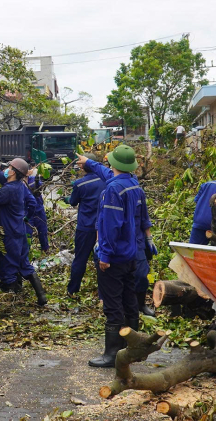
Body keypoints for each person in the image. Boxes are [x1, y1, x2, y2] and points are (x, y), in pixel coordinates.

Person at [77, 146, 140, 368]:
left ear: (113, 164)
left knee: (112, 303)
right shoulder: (132, 184)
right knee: (129, 300)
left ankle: (112, 355)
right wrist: (89, 162)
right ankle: (134, 347)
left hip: (113, 257)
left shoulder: (112, 191)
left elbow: (109, 225)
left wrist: (104, 254)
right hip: (130, 254)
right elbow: (107, 173)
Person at [0, 158, 48, 305]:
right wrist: (26, 217)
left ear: (13, 172)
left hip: (10, 232)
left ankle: (11, 293)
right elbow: (32, 203)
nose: (6, 169)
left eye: (9, 167)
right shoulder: (20, 186)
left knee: (8, 262)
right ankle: (41, 296)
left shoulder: (9, 190)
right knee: (23, 262)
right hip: (20, 229)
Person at [66, 155, 105, 296]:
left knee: (80, 259)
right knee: (101, 260)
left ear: (83, 166)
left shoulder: (79, 184)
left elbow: (72, 202)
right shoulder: (106, 180)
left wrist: (68, 198)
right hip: (102, 229)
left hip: (85, 228)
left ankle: (72, 290)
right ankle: (103, 294)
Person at [129, 160, 156, 318]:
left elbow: (144, 218)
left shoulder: (139, 192)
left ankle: (141, 305)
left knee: (142, 274)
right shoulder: (111, 190)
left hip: (138, 241)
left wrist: (149, 238)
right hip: (121, 242)